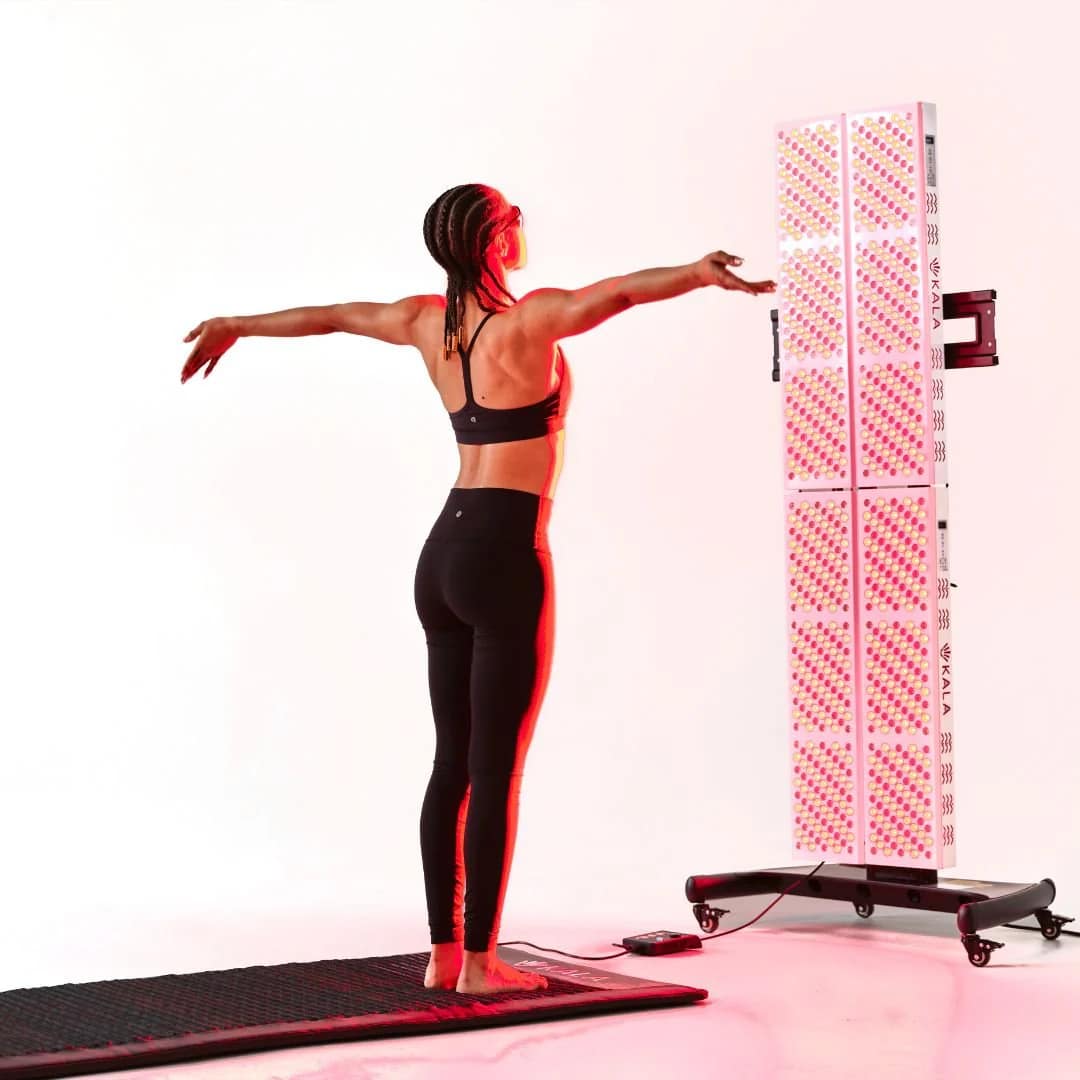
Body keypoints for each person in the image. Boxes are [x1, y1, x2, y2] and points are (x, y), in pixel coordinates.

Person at [179, 183, 776, 995]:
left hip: (442, 551)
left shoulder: (423, 321)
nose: (524, 226)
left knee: (450, 764)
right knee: (496, 770)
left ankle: (443, 956)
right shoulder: (530, 320)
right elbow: (624, 292)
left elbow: (332, 315)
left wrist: (237, 325)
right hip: (504, 549)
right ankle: (484, 965)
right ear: (495, 242)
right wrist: (701, 273)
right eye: (514, 219)